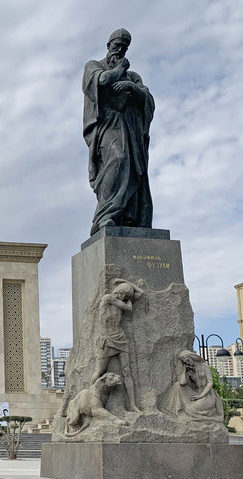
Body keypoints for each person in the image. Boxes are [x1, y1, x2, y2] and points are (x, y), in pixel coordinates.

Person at [82, 28, 155, 236]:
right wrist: (119, 70)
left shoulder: (133, 76)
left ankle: (127, 216)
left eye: (124, 47)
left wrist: (131, 88)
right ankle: (106, 214)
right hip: (108, 126)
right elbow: (102, 81)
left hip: (131, 128)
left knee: (133, 170)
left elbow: (147, 99)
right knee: (118, 159)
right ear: (108, 45)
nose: (120, 50)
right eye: (117, 45)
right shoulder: (93, 66)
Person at [93, 279, 144, 412]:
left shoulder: (121, 301)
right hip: (107, 339)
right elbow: (128, 307)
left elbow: (141, 292)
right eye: (126, 295)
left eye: (128, 297)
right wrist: (128, 298)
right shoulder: (108, 298)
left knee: (127, 372)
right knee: (99, 371)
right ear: (120, 292)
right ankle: (90, 395)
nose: (127, 298)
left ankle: (132, 404)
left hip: (121, 338)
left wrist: (126, 281)